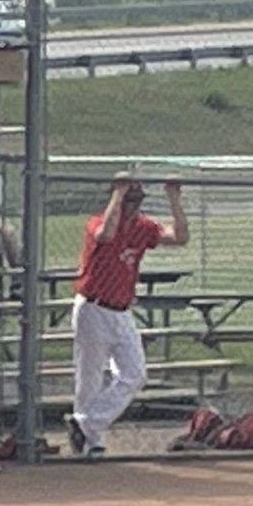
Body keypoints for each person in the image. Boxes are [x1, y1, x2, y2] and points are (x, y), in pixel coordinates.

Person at [68, 174, 189, 459]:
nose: (133, 206)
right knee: (90, 376)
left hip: (121, 310)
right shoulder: (97, 222)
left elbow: (180, 237)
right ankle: (91, 439)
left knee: (134, 374)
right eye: (129, 200)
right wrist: (118, 195)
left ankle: (84, 424)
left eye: (137, 200)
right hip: (93, 307)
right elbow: (106, 235)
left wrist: (173, 197)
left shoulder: (142, 226)